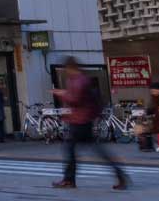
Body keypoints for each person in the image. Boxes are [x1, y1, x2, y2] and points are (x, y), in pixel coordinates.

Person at [51, 58, 128, 190]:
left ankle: (69, 180)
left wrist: (62, 94)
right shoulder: (81, 79)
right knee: (95, 150)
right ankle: (119, 173)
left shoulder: (79, 80)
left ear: (70, 68)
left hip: (79, 121)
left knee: (70, 148)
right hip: (83, 119)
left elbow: (75, 100)